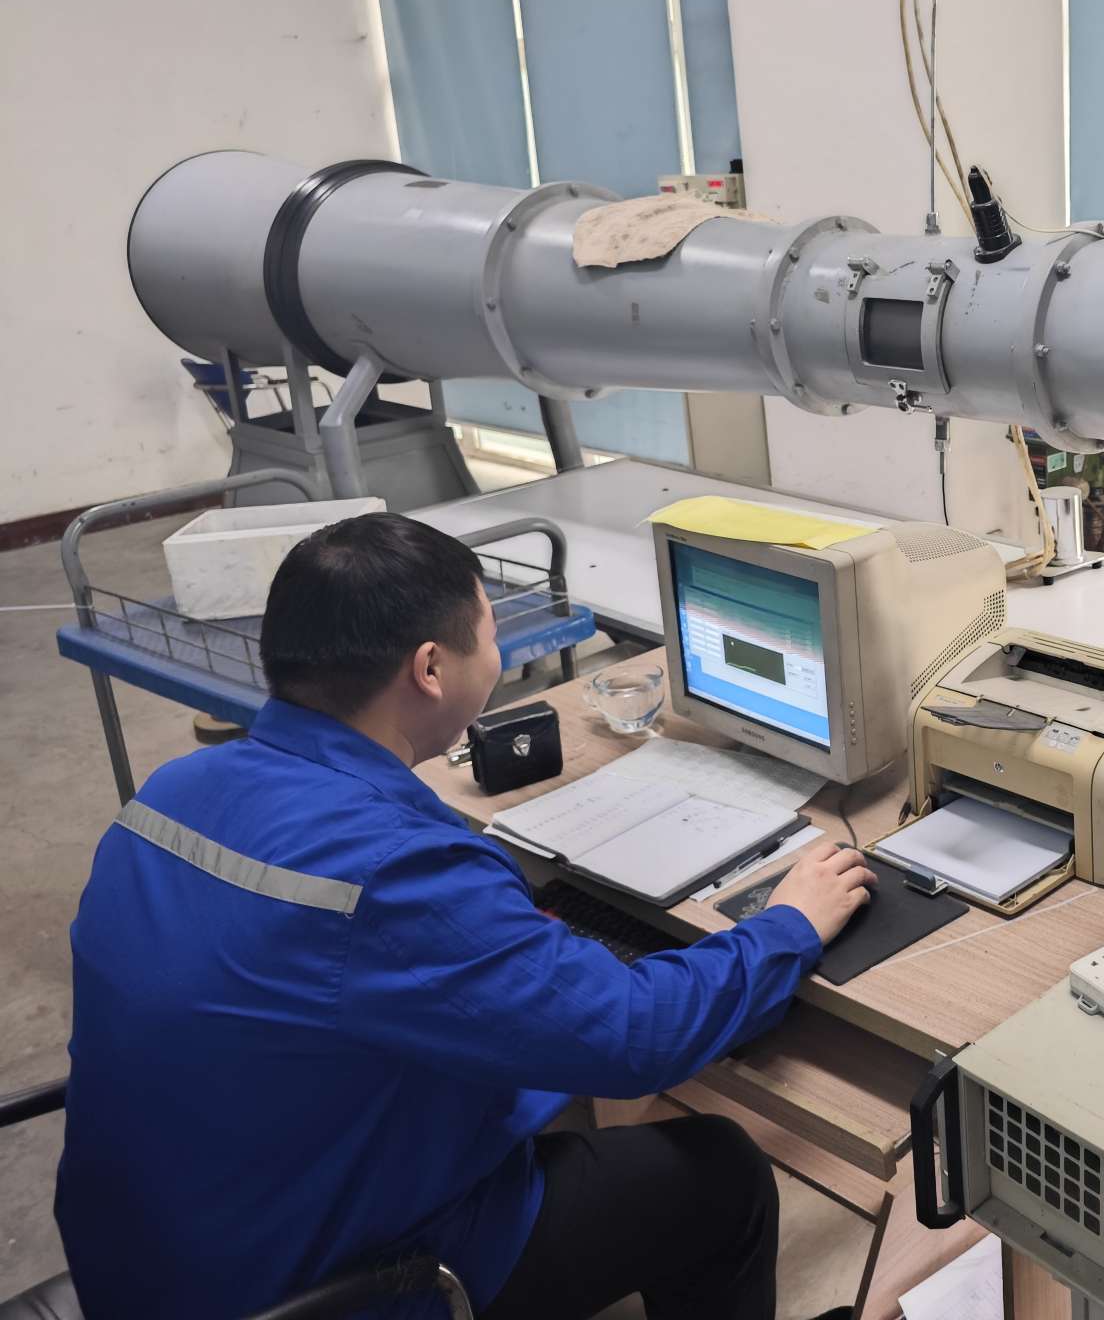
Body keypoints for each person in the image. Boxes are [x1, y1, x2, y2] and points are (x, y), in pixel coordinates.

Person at [57, 512, 876, 1319]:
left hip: (140, 1254)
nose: (499, 652)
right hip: (321, 1286)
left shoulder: (168, 793)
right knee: (721, 1171)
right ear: (430, 668)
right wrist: (787, 924)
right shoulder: (394, 871)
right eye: (489, 634)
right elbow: (635, 1036)